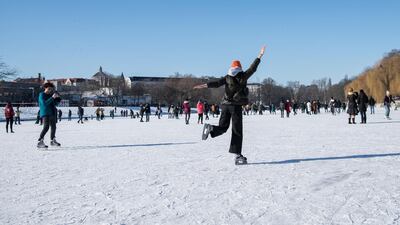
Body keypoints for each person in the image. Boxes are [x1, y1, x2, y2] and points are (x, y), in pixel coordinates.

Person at [193, 45, 265, 165]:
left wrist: (203, 85)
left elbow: (216, 83)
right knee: (237, 130)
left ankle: (211, 128)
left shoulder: (227, 77)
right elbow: (253, 68)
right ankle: (237, 155)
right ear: (240, 68)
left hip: (225, 105)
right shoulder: (243, 76)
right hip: (235, 106)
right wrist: (260, 55)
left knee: (223, 127)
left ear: (231, 67)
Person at [37, 82, 61, 148]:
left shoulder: (50, 95)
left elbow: (55, 104)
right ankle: (40, 141)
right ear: (45, 88)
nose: (50, 90)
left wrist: (58, 99)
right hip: (45, 113)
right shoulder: (41, 95)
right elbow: (45, 104)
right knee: (46, 127)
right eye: (49, 89)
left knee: (54, 127)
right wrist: (52, 97)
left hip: (52, 113)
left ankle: (52, 140)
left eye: (51, 89)